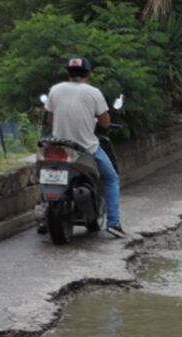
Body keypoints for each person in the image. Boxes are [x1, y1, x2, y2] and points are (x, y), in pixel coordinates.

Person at [43, 57, 124, 238]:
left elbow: (50, 119)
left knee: (46, 176)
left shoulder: (55, 90)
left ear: (69, 73)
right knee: (111, 178)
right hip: (86, 148)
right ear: (87, 74)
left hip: (58, 147)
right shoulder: (93, 92)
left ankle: (43, 218)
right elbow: (105, 122)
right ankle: (114, 223)